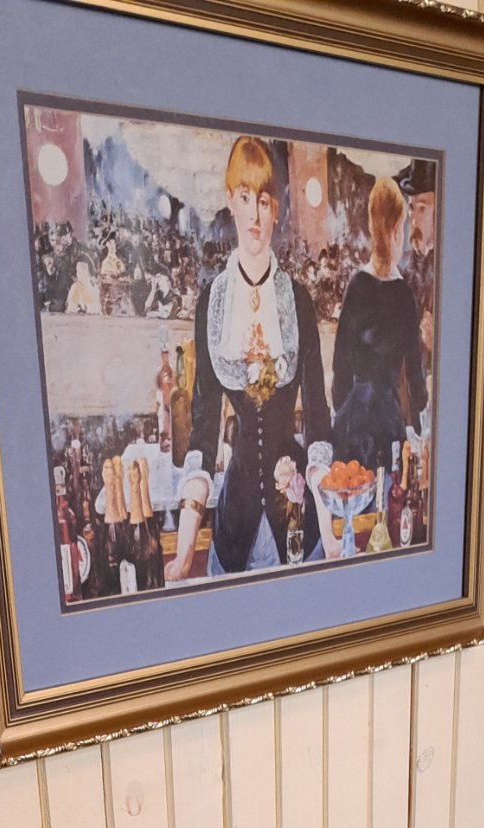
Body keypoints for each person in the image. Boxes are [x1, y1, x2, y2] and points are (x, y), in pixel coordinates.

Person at [168, 135, 332, 578]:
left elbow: (318, 414)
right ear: (231, 201)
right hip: (234, 527)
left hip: (298, 524)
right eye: (245, 199)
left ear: (275, 208)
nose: (256, 216)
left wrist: (331, 531)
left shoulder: (297, 301)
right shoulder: (213, 302)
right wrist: (184, 552)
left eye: (264, 201)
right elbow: (203, 429)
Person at [329, 175, 428, 470]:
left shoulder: (356, 286)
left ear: (372, 227)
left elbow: (340, 366)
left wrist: (343, 410)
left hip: (352, 419)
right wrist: (416, 425)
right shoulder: (404, 295)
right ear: (398, 228)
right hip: (388, 419)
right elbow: (415, 374)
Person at [398, 157, 437, 369]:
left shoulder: (453, 274)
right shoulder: (401, 267)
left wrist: (436, 345)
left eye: (422, 209)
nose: (413, 220)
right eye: (411, 208)